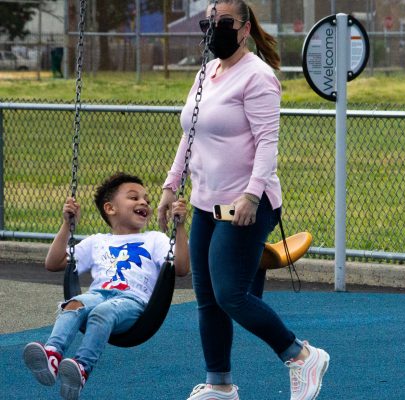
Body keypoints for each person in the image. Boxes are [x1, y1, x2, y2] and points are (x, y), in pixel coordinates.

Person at [157, 1, 329, 399]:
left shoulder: (258, 77)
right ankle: (220, 386)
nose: (214, 29)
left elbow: (268, 143)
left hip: (247, 204)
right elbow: (190, 133)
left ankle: (302, 355)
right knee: (207, 300)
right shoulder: (207, 72)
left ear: (245, 29)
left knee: (231, 294)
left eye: (224, 23)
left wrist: (253, 195)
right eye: (209, 22)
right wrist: (171, 185)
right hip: (204, 202)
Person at [22, 172, 189, 400]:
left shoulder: (155, 240)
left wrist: (179, 228)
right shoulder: (96, 242)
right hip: (99, 294)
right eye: (133, 197)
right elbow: (53, 263)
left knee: (102, 312)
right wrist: (66, 225)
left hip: (133, 303)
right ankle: (52, 353)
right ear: (110, 208)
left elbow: (181, 268)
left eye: (147, 200)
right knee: (74, 304)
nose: (143, 203)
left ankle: (81, 368)